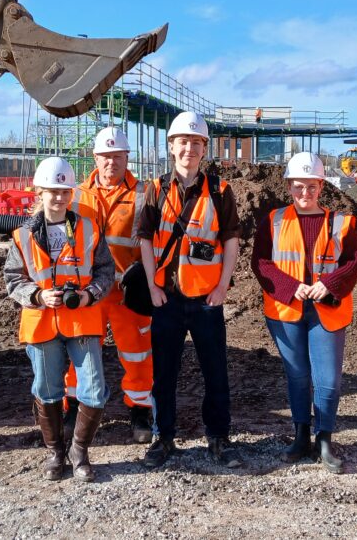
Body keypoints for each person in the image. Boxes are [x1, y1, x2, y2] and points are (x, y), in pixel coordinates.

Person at [136, 111, 242, 469]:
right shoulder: (154, 190)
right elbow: (145, 241)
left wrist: (223, 286)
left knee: (216, 372)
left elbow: (230, 241)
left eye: (196, 143)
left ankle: (218, 437)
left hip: (207, 299)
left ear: (204, 148)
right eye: (183, 142)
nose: (189, 149)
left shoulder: (220, 190)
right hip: (166, 297)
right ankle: (162, 437)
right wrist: (152, 286)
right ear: (171, 146)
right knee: (164, 373)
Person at [4, 156, 115, 481]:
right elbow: (12, 278)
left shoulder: (88, 228)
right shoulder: (23, 235)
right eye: (52, 191)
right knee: (48, 389)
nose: (59, 198)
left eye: (65, 191)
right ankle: (55, 453)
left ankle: (78, 450)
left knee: (93, 389)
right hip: (41, 321)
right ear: (39, 192)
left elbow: (106, 270)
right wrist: (38, 295)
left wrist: (89, 294)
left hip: (82, 319)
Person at [251, 152, 357, 473]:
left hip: (327, 310)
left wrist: (329, 284)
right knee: (298, 376)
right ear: (288, 186)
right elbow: (261, 263)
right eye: (299, 187)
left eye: (311, 187)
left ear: (321, 186)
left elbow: (353, 263)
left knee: (327, 379)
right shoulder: (273, 221)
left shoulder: (340, 223)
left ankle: (324, 438)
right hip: (286, 310)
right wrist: (289, 287)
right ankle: (301, 436)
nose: (305, 193)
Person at [65, 126, 154, 444]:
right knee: (82, 352)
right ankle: (75, 406)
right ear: (95, 157)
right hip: (88, 293)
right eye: (105, 156)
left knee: (137, 354)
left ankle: (140, 409)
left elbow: (154, 243)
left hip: (127, 294)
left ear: (127, 157)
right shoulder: (76, 195)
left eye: (117, 156)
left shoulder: (144, 193)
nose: (111, 162)